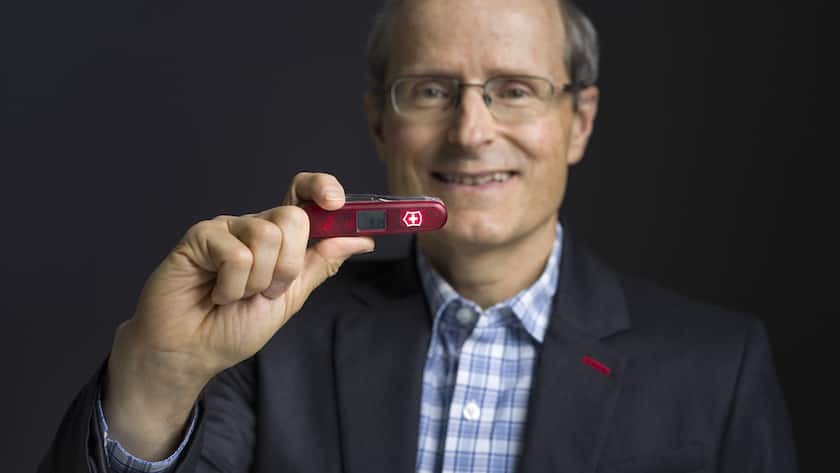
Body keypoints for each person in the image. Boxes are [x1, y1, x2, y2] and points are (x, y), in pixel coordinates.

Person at [39, 0, 798, 471]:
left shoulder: (717, 368)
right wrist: (154, 380)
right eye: (431, 90)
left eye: (515, 90)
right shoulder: (269, 340)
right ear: (380, 122)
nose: (471, 132)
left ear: (581, 120)